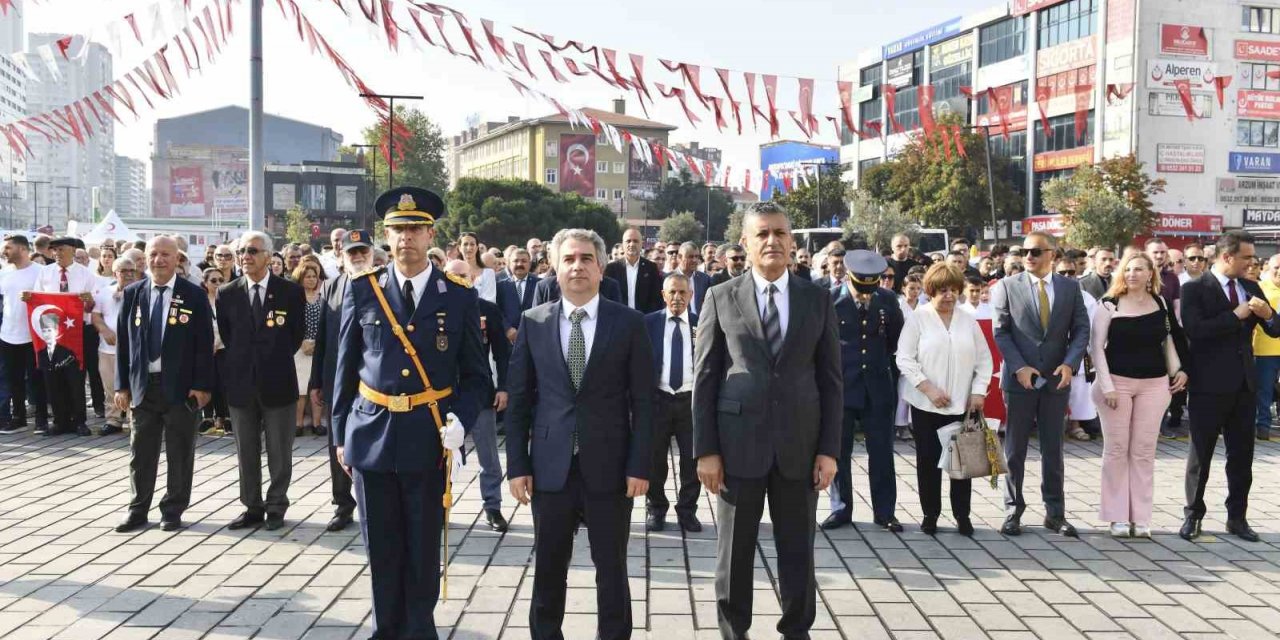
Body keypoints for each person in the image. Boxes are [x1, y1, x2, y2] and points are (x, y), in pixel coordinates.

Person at [333, 187, 487, 637]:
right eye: (398, 230)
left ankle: (419, 630)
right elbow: (343, 370)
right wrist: (340, 435)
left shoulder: (457, 295)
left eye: (415, 229)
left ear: (431, 234)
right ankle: (386, 630)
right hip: (371, 434)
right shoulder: (364, 291)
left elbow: (477, 376)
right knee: (380, 548)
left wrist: (460, 418)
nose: (406, 238)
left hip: (428, 435)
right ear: (386, 236)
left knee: (422, 548)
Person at [693, 202, 841, 639]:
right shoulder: (720, 296)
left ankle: (796, 630)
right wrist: (706, 450)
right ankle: (733, 632)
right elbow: (704, 378)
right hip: (737, 447)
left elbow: (831, 380)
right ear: (745, 243)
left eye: (780, 233)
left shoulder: (817, 299)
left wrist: (830, 450)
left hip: (800, 446)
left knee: (798, 551)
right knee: (734, 554)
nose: (772, 241)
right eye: (762, 234)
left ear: (793, 242)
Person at [506, 227, 653, 639]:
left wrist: (640, 465)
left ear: (602, 266)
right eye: (569, 259)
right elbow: (518, 402)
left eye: (586, 258)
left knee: (612, 572)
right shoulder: (533, 323)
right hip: (550, 470)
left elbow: (644, 402)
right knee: (549, 571)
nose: (577, 266)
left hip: (610, 468)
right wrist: (516, 466)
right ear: (553, 266)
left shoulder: (629, 324)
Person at [1179, 230, 1280, 543]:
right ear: (1227, 257)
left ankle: (1237, 517)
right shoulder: (1196, 288)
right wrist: (1234, 317)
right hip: (1208, 385)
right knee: (1201, 455)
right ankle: (1193, 515)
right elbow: (1195, 330)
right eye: (1247, 257)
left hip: (1244, 385)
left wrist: (1270, 314)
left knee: (1241, 456)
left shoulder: (1252, 286)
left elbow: (1275, 330)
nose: (1252, 262)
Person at [991, 231, 1090, 538]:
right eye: (1025, 252)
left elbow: (1081, 329)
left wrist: (1070, 363)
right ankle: (1012, 511)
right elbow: (1001, 332)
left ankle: (1055, 513)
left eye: (1035, 252)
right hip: (1020, 381)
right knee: (1014, 450)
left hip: (1055, 380)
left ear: (1052, 255)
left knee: (1053, 449)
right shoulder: (1007, 286)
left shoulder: (1070, 288)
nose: (1029, 257)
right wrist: (1019, 367)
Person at [111, 235, 213, 532]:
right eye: (153, 254)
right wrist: (121, 386)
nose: (159, 260)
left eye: (165, 255)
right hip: (143, 386)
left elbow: (204, 344)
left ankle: (173, 509)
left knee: (181, 452)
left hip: (181, 388)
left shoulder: (193, 294)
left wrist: (202, 385)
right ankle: (137, 508)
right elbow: (123, 346)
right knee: (140, 453)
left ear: (177, 259)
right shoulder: (133, 293)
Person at [1090, 252, 1187, 539]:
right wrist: (1106, 385)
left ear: (1150, 274)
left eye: (1138, 269)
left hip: (1155, 385)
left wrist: (1178, 370)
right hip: (1116, 385)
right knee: (1117, 450)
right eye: (1128, 269)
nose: (1132, 274)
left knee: (1144, 452)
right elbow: (1096, 348)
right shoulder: (1109, 304)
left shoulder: (1160, 303)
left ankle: (1141, 517)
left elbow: (1167, 339)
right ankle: (1116, 516)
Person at [217, 231, 307, 531]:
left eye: (253, 251)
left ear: (268, 256)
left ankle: (277, 504)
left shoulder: (289, 292)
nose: (246, 256)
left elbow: (295, 335)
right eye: (242, 251)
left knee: (280, 450)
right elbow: (229, 337)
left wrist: (270, 359)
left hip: (278, 381)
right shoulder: (227, 292)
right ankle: (252, 506)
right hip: (241, 383)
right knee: (246, 449)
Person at [896, 263, 992, 536]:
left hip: (963, 403)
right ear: (930, 291)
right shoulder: (918, 318)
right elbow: (904, 357)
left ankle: (963, 515)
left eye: (953, 290)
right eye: (942, 290)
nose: (948, 295)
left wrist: (978, 391)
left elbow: (984, 361)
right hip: (927, 403)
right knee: (928, 461)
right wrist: (928, 388)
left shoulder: (968, 320)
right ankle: (930, 514)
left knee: (963, 461)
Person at [823, 250, 905, 532]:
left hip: (878, 388)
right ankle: (841, 508)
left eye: (871, 288)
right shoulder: (830, 300)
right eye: (861, 289)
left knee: (882, 452)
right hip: (842, 387)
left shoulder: (888, 300)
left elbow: (895, 340)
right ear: (849, 277)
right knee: (839, 450)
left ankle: (885, 512)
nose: (866, 295)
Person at [308, 229, 371, 532]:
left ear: (371, 254)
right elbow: (322, 337)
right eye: (351, 253)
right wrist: (316, 380)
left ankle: (373, 502)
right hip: (336, 379)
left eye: (362, 252)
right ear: (342, 257)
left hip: (371, 380)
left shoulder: (382, 284)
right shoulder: (331, 287)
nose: (357, 257)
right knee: (337, 444)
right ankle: (342, 505)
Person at [444, 258, 512, 533]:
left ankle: (492, 507)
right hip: (445, 393)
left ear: (472, 278)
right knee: (444, 455)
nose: (459, 280)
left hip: (479, 391)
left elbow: (502, 353)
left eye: (464, 276)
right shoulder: (433, 309)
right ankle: (440, 505)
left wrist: (504, 386)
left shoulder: (488, 310)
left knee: (489, 457)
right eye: (453, 276)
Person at [644, 272, 701, 533]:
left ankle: (687, 510)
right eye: (672, 293)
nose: (677, 298)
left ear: (690, 295)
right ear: (663, 295)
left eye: (682, 292)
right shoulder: (648, 324)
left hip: (691, 402)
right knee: (655, 460)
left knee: (692, 460)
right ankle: (656, 508)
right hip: (658, 400)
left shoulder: (702, 323)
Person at [31, 236, 100, 434]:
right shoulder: (45, 273)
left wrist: (88, 301)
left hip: (77, 330)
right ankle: (59, 420)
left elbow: (92, 305)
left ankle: (79, 420)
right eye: (55, 250)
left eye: (61, 249)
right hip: (52, 330)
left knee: (76, 375)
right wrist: (28, 298)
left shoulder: (85, 274)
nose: (57, 253)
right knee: (52, 374)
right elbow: (38, 299)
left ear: (72, 250)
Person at [0, 235, 46, 434]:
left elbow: (50, 301)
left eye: (8, 248)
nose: (4, 251)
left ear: (22, 249)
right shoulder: (4, 273)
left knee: (37, 379)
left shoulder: (41, 272)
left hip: (33, 334)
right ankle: (18, 418)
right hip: (8, 334)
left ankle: (41, 420)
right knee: (13, 378)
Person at [91, 257, 139, 435]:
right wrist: (104, 330)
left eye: (131, 271)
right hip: (108, 349)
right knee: (111, 386)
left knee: (134, 386)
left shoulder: (141, 291)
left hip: (134, 350)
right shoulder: (104, 292)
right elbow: (95, 316)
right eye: (124, 271)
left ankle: (134, 419)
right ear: (114, 273)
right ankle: (113, 420)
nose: (128, 274)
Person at [293, 262, 325, 437]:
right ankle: (297, 424)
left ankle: (317, 423)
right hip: (300, 348)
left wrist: (317, 343)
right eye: (308, 276)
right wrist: (302, 342)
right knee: (300, 389)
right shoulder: (295, 298)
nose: (311, 279)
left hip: (319, 347)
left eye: (314, 276)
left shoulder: (323, 297)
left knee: (317, 387)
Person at [199, 268, 231, 435]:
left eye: (221, 280)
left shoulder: (226, 300)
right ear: (205, 283)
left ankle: (224, 417)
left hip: (223, 348)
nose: (218, 283)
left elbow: (228, 326)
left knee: (223, 383)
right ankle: (207, 417)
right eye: (213, 280)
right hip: (205, 349)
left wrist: (218, 343)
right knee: (207, 381)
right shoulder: (201, 300)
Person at [603, 227, 664, 313]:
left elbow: (656, 298)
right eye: (628, 241)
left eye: (635, 241)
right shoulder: (611, 268)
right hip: (618, 319)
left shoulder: (651, 268)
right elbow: (606, 297)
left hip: (644, 320)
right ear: (623, 244)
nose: (632, 244)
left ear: (641, 244)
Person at [1257, 254, 1280, 440]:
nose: (1279, 271)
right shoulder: (1260, 288)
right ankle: (1262, 426)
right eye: (1276, 267)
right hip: (1265, 350)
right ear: (1268, 268)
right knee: (1264, 390)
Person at [495, 248, 538, 341]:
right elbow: (497, 310)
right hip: (508, 340)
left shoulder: (540, 284)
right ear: (509, 264)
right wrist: (507, 328)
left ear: (530, 264)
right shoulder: (500, 286)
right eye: (516, 261)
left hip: (534, 337)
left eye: (524, 261)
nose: (519, 264)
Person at [673, 241, 711, 316]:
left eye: (697, 256)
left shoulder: (705, 279)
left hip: (700, 323)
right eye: (690, 257)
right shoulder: (668, 279)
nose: (694, 260)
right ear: (679, 257)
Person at [458, 232, 497, 303]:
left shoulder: (488, 273)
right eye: (465, 244)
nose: (469, 248)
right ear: (459, 248)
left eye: (472, 244)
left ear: (477, 248)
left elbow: (490, 301)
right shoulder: (452, 273)